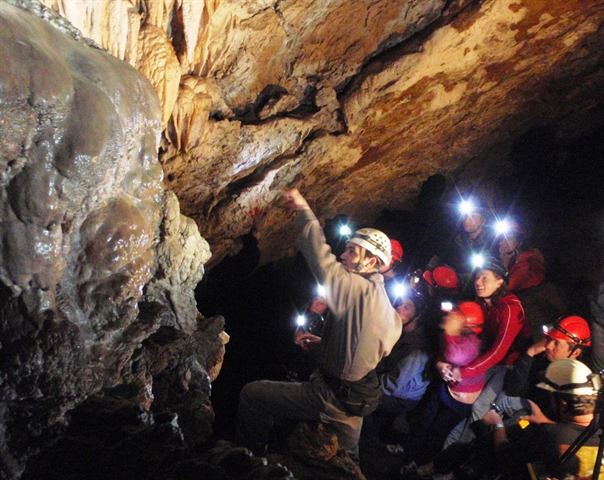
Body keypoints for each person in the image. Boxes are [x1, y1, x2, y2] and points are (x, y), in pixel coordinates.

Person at [237, 189, 401, 455]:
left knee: (252, 395)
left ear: (371, 261)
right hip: (354, 402)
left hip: (327, 396)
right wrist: (326, 344)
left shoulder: (357, 288)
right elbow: (367, 347)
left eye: (351, 251)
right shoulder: (386, 307)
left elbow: (320, 260)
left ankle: (251, 458)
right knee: (346, 460)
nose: (343, 256)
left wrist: (303, 210)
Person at [483, 358, 601, 479]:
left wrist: (498, 425)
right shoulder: (600, 437)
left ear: (563, 403)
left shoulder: (548, 435)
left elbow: (506, 459)